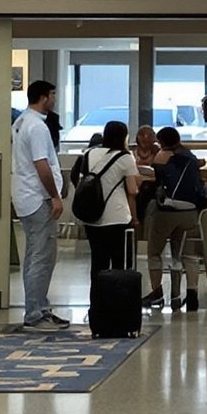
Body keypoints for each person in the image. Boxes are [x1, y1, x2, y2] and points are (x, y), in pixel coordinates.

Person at [12, 80, 70, 332]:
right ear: (44, 97)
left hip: (27, 196)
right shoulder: (36, 127)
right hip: (37, 198)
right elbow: (41, 165)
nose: (54, 100)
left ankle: (39, 307)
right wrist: (55, 196)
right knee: (42, 256)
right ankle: (35, 313)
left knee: (36, 254)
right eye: (53, 95)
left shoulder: (22, 122)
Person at [66, 121, 141, 297]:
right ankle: (116, 304)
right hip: (117, 218)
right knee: (118, 265)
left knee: (98, 263)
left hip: (92, 216)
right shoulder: (125, 157)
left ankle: (97, 304)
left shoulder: (89, 153)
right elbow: (132, 190)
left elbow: (80, 178)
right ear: (124, 137)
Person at [139, 127, 207, 311]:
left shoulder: (162, 157)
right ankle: (187, 295)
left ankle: (157, 294)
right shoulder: (190, 156)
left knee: (154, 252)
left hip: (167, 211)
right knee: (185, 254)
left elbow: (157, 181)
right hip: (191, 212)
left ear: (161, 142)